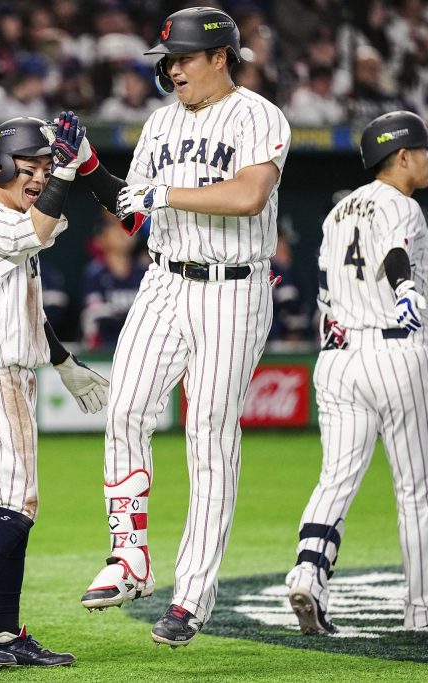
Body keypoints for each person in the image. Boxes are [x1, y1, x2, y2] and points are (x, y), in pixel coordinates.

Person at [74, 6, 291, 648]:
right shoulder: (160, 122)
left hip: (234, 286)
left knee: (209, 434)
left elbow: (249, 194)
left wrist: (162, 195)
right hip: (164, 280)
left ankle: (193, 593)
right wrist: (89, 168)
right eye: (167, 61)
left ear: (221, 57)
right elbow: (133, 215)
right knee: (124, 410)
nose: (172, 70)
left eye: (184, 58)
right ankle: (129, 557)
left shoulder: (258, 115)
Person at [0, 113, 107, 668]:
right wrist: (69, 174)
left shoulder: (12, 218)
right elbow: (38, 229)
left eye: (46, 169)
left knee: (18, 506)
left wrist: (64, 362)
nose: (40, 178)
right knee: (14, 506)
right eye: (30, 168)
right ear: (2, 166)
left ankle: (6, 633)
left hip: (9, 374)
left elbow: (29, 309)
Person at [284, 110, 428, 634]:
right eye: (425, 150)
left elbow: (325, 293)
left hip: (339, 360)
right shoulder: (402, 205)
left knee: (335, 480)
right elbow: (395, 254)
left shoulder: (336, 213)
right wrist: (404, 291)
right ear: (401, 157)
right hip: (397, 353)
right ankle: (424, 608)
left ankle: (308, 574)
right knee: (415, 492)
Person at [80, 210, 145, 351]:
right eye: (115, 229)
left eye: (125, 229)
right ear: (102, 239)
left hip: (138, 343)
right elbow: (94, 314)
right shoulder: (96, 273)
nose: (122, 234)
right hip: (105, 345)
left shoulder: (145, 272)